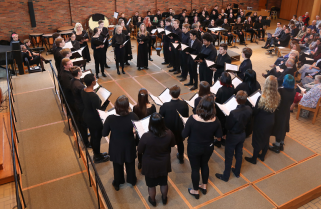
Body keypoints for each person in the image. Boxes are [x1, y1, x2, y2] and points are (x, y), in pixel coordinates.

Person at [182, 95, 222, 199]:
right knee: (205, 165)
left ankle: (195, 190)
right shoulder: (215, 120)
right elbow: (219, 136)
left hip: (194, 148)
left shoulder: (192, 119)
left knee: (195, 169)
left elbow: (184, 135)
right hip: (208, 147)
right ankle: (204, 185)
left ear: (200, 106)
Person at [137, 113, 175, 206]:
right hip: (163, 163)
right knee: (163, 182)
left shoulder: (146, 136)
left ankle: (153, 201)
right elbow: (173, 144)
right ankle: (164, 198)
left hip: (150, 164)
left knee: (151, 185)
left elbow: (140, 150)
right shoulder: (169, 133)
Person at [102, 95, 139, 191]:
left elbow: (104, 133)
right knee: (130, 164)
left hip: (116, 147)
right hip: (129, 145)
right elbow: (139, 129)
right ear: (127, 107)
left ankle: (118, 182)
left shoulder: (110, 118)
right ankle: (132, 180)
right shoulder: (133, 116)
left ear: (116, 107)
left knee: (117, 166)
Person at [215, 90, 252, 182]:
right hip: (242, 134)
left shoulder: (233, 113)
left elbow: (228, 126)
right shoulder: (249, 109)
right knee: (239, 153)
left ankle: (226, 176)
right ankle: (237, 172)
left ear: (236, 100)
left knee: (229, 156)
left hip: (233, 136)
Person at [245, 76, 281, 164]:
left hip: (261, 122)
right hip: (270, 121)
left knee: (257, 139)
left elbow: (256, 111)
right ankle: (262, 156)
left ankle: (254, 159)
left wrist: (251, 109)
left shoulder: (262, 97)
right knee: (266, 138)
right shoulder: (277, 95)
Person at [81, 74, 110, 163]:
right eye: (95, 79)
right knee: (96, 137)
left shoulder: (84, 90)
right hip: (94, 120)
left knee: (94, 136)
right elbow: (98, 111)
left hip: (87, 116)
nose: (96, 80)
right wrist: (106, 104)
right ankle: (97, 156)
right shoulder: (93, 96)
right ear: (93, 82)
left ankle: (97, 153)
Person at [159, 85, 189, 164]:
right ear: (179, 93)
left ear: (170, 94)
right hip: (180, 129)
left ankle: (167, 159)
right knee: (180, 143)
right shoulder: (184, 104)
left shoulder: (165, 105)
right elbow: (186, 116)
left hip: (169, 129)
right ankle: (181, 157)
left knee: (167, 144)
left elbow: (160, 116)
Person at [269, 75, 296, 153]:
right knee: (283, 127)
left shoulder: (280, 90)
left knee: (278, 128)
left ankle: (277, 146)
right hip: (286, 111)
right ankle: (281, 144)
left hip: (279, 111)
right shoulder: (294, 91)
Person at [133, 88, 156, 169]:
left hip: (140, 131)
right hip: (149, 130)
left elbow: (135, 119)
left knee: (140, 147)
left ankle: (140, 162)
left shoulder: (135, 107)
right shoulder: (152, 107)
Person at [70, 66, 90, 148]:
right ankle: (86, 142)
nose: (81, 72)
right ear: (78, 73)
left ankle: (85, 136)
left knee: (82, 123)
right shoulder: (79, 86)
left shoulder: (72, 80)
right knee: (83, 124)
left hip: (77, 104)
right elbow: (85, 97)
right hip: (81, 106)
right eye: (81, 71)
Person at [215, 72, 235, 147]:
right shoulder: (232, 87)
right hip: (229, 110)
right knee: (226, 125)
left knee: (220, 125)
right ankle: (224, 138)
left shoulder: (220, 90)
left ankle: (218, 140)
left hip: (221, 111)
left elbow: (217, 102)